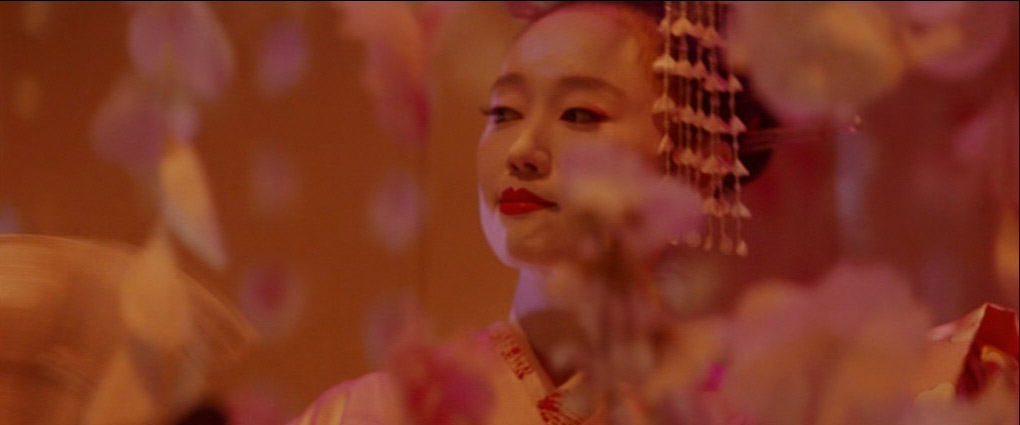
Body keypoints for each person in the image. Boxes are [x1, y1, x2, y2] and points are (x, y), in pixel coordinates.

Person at [290, 2, 1017, 424]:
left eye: (579, 113)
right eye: (503, 112)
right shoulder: (372, 414)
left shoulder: (759, 402)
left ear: (691, 153)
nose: (523, 152)